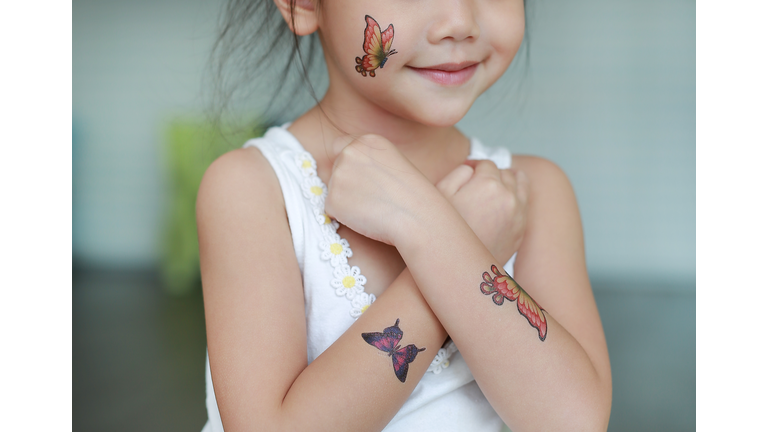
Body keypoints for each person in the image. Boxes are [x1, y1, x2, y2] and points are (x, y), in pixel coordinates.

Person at [196, 0, 612, 431]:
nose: (459, 23)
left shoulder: (530, 193)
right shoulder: (254, 189)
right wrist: (457, 244)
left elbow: (574, 421)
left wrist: (425, 226)